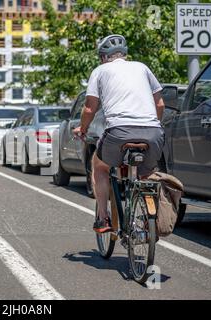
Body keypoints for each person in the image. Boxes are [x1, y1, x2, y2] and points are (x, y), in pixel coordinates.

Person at [73, 34, 166, 233]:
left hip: (119, 132)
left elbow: (90, 108)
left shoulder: (100, 71)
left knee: (99, 166)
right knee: (147, 174)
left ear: (103, 57)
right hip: (153, 132)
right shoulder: (142, 67)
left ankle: (103, 218)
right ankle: (149, 218)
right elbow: (160, 103)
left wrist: (82, 129)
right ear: (125, 55)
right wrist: (150, 128)